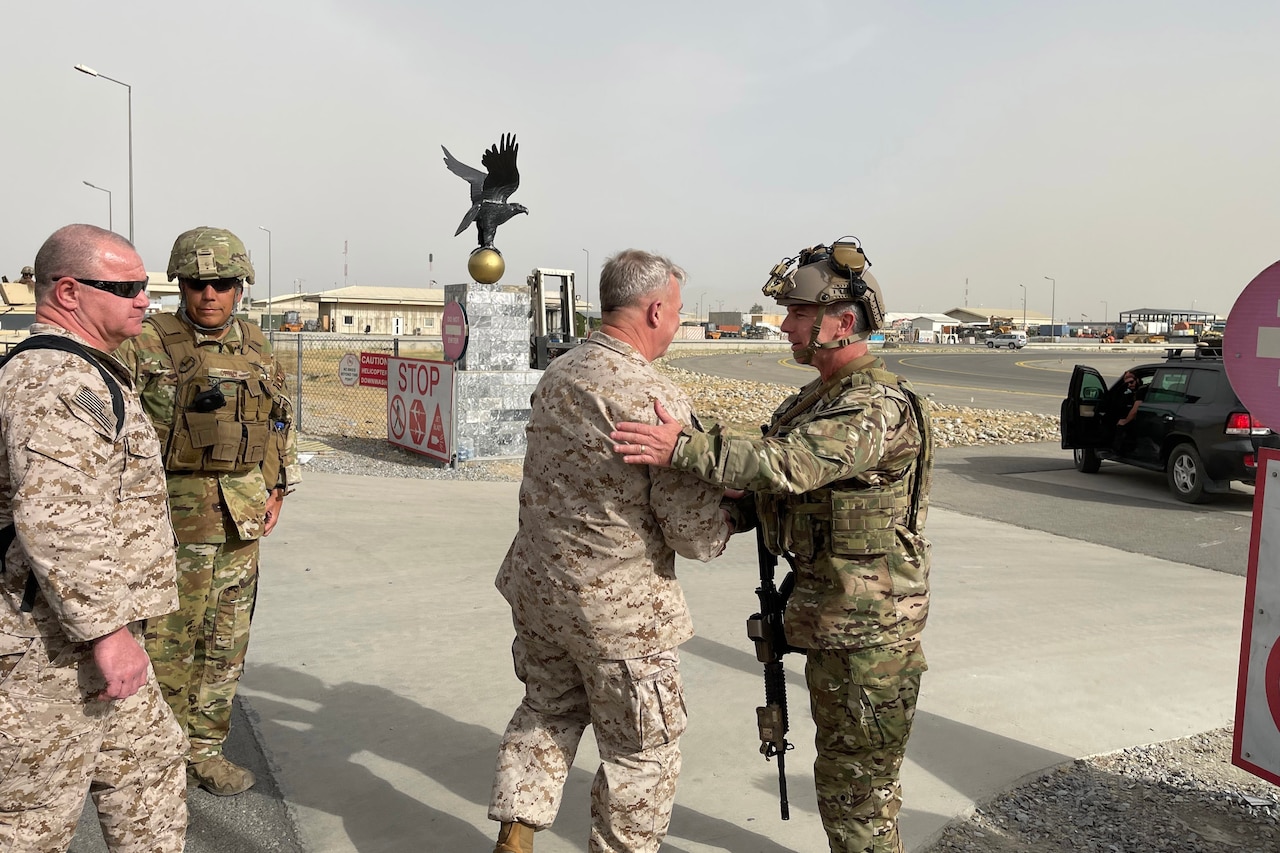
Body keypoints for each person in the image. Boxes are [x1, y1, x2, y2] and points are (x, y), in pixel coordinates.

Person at [610, 238, 933, 853]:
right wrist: (741, 504)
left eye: (799, 316)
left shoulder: (873, 406)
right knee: (841, 780)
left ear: (842, 325)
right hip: (832, 621)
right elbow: (785, 486)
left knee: (858, 792)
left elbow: (792, 463)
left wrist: (684, 447)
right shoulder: (815, 400)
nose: (785, 326)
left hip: (870, 637)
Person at [488, 249, 732, 853]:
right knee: (642, 753)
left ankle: (515, 839)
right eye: (676, 311)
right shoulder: (655, 399)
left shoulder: (560, 375)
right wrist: (729, 509)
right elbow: (694, 535)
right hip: (621, 616)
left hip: (542, 593)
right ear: (655, 310)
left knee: (546, 711)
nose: (677, 323)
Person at [0, 224, 186, 851]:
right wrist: (108, 632)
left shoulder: (89, 371)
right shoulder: (56, 379)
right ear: (71, 291)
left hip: (89, 634)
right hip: (45, 647)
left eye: (145, 286)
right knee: (32, 820)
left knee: (149, 774)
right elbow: (58, 517)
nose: (144, 299)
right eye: (127, 286)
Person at [115, 226, 300, 797]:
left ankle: (206, 749)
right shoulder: (144, 345)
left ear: (240, 287)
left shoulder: (258, 345)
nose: (209, 295)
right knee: (169, 642)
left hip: (240, 520)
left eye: (222, 283)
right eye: (197, 283)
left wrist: (278, 485)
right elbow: (110, 432)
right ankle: (159, 754)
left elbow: (278, 418)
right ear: (181, 285)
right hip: (171, 522)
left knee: (226, 642)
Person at [1109, 371, 1142, 453]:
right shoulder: (1131, 393)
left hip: (1143, 420)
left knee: (1121, 425)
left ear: (1137, 380)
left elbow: (1135, 410)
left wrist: (1125, 421)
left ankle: (1119, 450)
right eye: (1127, 384)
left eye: (1131, 382)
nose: (1130, 385)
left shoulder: (1141, 391)